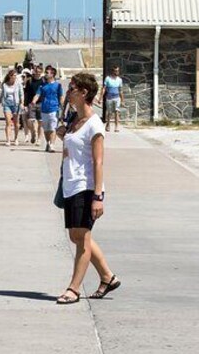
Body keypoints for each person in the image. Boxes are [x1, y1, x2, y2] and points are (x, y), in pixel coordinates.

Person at [54, 72, 120, 304]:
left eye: (72, 88)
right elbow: (70, 143)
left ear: (84, 93)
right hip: (70, 185)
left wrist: (98, 196)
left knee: (82, 238)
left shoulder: (95, 124)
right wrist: (64, 133)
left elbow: (98, 162)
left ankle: (73, 289)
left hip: (86, 186)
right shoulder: (74, 119)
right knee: (76, 236)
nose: (69, 92)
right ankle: (107, 276)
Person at [32, 65, 65, 152]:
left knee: (53, 128)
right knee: (46, 129)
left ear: (52, 74)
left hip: (54, 109)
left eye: (47, 72)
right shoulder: (42, 85)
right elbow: (37, 94)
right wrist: (33, 101)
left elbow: (61, 97)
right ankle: (48, 142)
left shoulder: (58, 85)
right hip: (44, 110)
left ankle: (52, 145)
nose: (45, 74)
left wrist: (63, 108)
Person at [1, 69, 24, 146]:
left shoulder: (18, 84)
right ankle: (8, 140)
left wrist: (22, 103)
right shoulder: (4, 85)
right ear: (10, 76)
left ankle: (16, 138)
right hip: (7, 104)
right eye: (13, 75)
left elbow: (21, 94)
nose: (14, 77)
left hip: (16, 104)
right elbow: (2, 95)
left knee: (16, 123)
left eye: (15, 76)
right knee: (8, 122)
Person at [99, 66, 124, 133]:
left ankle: (116, 126)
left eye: (118, 71)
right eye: (116, 71)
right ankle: (108, 124)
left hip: (117, 97)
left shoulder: (119, 80)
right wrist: (100, 98)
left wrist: (122, 100)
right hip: (109, 97)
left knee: (117, 111)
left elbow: (121, 90)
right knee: (109, 112)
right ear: (113, 71)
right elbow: (104, 88)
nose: (117, 72)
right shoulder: (108, 78)